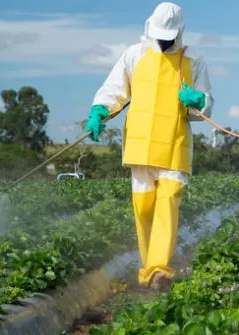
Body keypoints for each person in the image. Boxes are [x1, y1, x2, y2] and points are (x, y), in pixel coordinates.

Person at [85, 2, 214, 289]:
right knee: (143, 208)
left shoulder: (193, 60)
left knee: (167, 202)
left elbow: (205, 108)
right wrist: (98, 112)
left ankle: (159, 271)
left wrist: (198, 100)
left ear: (179, 32)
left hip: (174, 143)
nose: (164, 39)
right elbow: (114, 90)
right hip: (140, 145)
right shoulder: (135, 54)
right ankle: (148, 272)